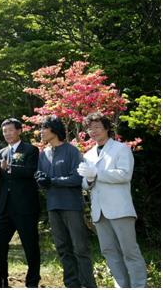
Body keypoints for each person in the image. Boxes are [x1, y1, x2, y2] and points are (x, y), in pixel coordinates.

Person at [77, 112, 147, 287]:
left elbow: (125, 175)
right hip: (99, 212)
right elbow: (86, 184)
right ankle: (121, 285)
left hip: (120, 209)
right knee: (109, 251)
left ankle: (139, 286)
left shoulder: (121, 148)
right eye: (90, 128)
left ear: (107, 128)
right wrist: (89, 179)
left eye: (97, 127)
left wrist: (97, 173)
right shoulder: (88, 154)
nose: (93, 131)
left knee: (129, 251)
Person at [35, 116, 96, 287]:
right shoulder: (43, 154)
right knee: (62, 248)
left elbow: (77, 178)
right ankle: (71, 284)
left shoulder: (71, 151)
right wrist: (40, 180)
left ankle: (88, 285)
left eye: (44, 128)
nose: (41, 132)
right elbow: (41, 178)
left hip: (71, 205)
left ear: (54, 129)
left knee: (80, 248)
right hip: (52, 205)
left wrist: (52, 181)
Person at [0, 118, 40, 288]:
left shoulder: (30, 150)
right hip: (5, 205)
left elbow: (30, 171)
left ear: (19, 131)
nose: (7, 134)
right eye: (4, 131)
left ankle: (32, 281)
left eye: (10, 130)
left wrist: (9, 167)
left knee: (30, 244)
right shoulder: (1, 152)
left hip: (25, 204)